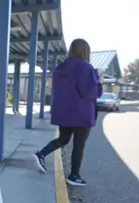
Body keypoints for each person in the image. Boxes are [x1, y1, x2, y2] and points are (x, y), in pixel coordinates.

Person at [33, 38, 103, 186]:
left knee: (63, 139)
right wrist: (99, 80)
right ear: (85, 51)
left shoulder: (60, 68)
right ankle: (74, 175)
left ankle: (41, 154)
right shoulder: (86, 67)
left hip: (64, 113)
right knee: (79, 145)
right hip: (81, 113)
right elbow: (89, 92)